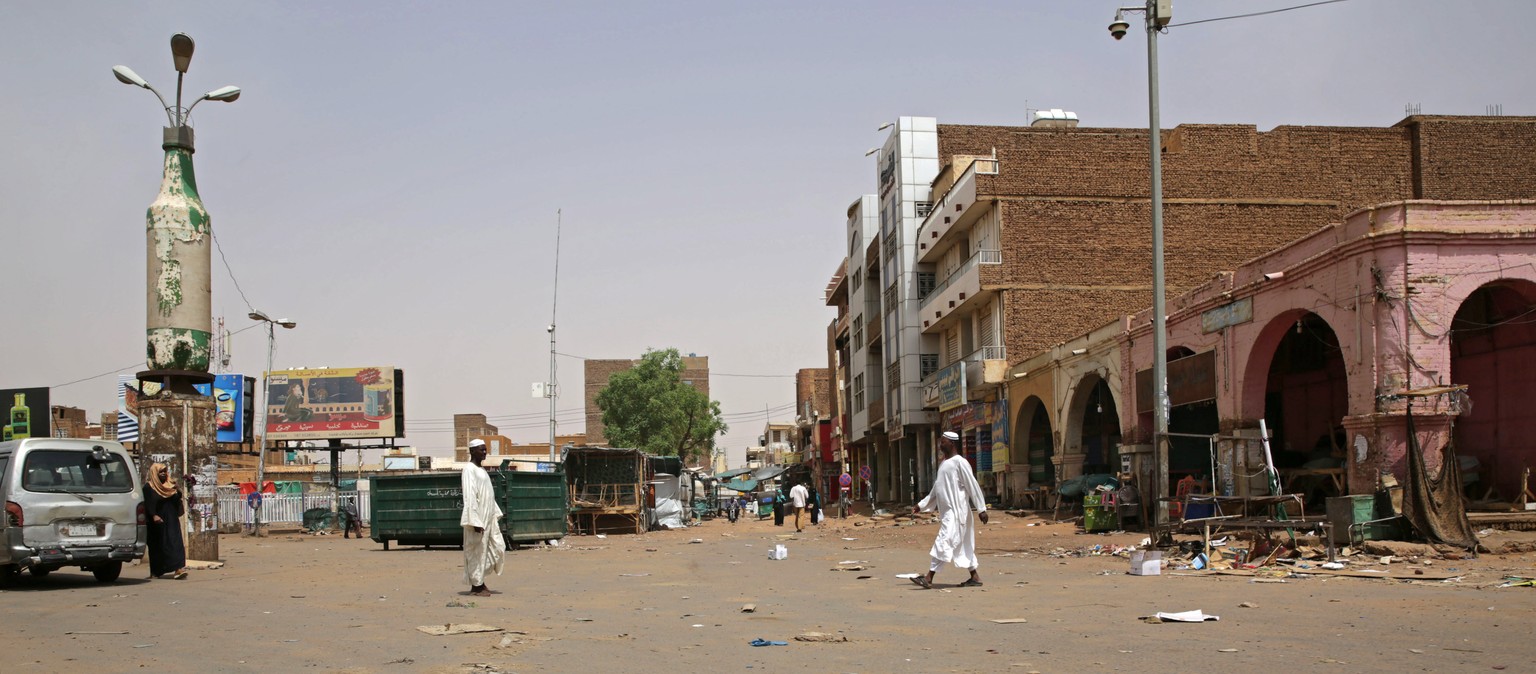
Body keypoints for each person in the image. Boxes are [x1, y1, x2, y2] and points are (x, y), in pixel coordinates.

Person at [912, 431, 989, 589]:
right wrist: (921, 505)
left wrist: (981, 508)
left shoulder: (960, 462)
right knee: (962, 545)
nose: (940, 444)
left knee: (944, 540)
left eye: (943, 442)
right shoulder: (944, 465)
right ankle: (975, 577)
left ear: (952, 444)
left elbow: (972, 485)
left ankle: (928, 577)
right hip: (948, 513)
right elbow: (936, 490)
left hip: (957, 512)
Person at [460, 439, 506, 597]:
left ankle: (479, 582)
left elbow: (488, 494)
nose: (485, 452)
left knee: (496, 548)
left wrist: (494, 513)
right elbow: (470, 496)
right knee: (477, 552)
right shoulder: (469, 469)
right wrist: (474, 521)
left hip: (488, 517)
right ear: (472, 451)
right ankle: (477, 586)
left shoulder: (482, 470)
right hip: (478, 519)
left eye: (485, 450)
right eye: (481, 450)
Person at [142, 462, 188, 580]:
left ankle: (178, 569)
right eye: (160, 472)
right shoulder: (149, 487)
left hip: (171, 518)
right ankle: (156, 571)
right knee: (157, 546)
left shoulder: (170, 485)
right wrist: (153, 515)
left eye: (164, 471)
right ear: (155, 473)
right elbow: (148, 503)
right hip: (156, 521)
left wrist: (177, 491)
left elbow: (176, 500)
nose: (163, 474)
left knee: (174, 542)